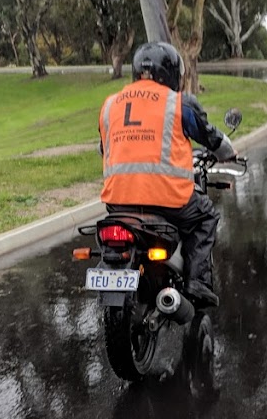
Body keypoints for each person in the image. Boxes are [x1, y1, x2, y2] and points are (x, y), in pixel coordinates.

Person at [98, 41, 236, 307]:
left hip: (118, 201)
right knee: (205, 216)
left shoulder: (110, 105)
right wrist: (228, 153)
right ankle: (198, 283)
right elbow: (212, 138)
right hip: (169, 201)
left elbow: (105, 148)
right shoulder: (178, 104)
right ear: (172, 73)